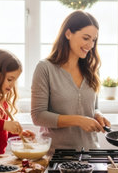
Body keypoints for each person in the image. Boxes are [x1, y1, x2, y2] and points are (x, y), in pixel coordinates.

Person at [31, 10, 110, 152]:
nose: (91, 45)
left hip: (90, 153)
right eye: (86, 38)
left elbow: (94, 107)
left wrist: (98, 115)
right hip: (56, 155)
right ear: (68, 34)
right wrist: (79, 120)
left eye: (93, 40)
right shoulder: (45, 68)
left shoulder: (92, 69)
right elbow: (38, 116)